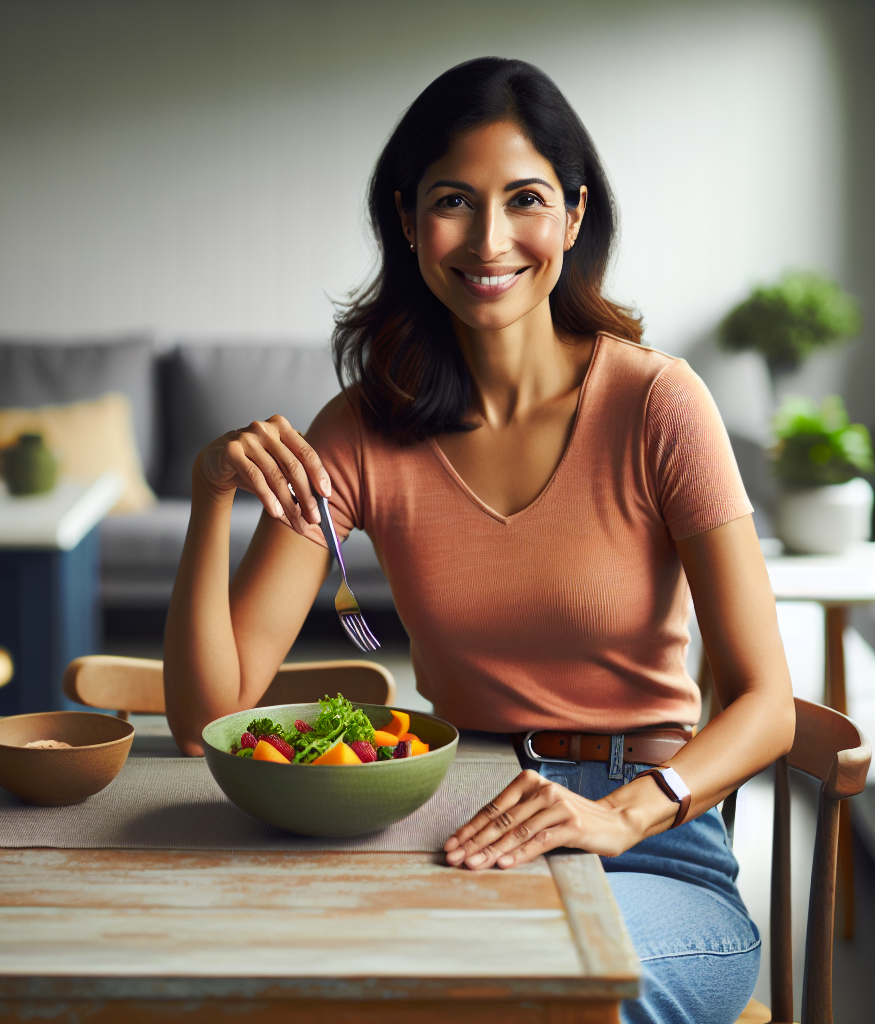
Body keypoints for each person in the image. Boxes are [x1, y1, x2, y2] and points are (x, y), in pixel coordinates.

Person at [163, 57, 795, 1024]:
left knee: (519, 993)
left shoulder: (659, 404)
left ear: (575, 218)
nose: (490, 239)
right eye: (454, 200)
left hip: (657, 848)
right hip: (456, 825)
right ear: (410, 222)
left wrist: (622, 812)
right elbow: (206, 712)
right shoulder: (361, 431)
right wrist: (213, 498)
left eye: (526, 199)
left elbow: (766, 704)